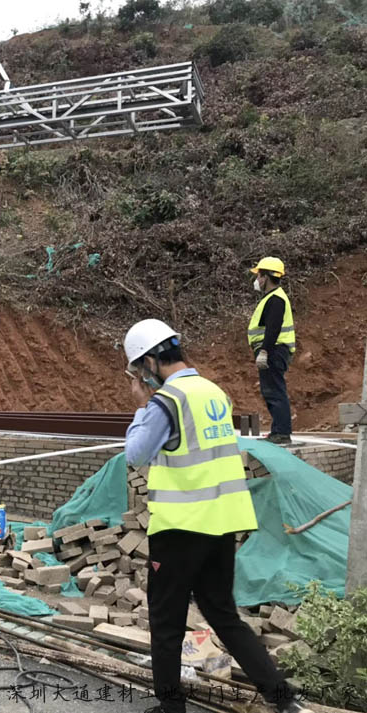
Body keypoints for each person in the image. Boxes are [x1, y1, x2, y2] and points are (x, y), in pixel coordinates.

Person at [122, 318, 310, 713]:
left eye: (139, 369)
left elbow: (136, 454)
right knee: (224, 615)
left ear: (151, 362)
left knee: (167, 622)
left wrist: (141, 408)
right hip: (222, 525)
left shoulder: (165, 402)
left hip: (179, 529)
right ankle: (283, 699)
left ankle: (171, 708)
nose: (140, 378)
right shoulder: (213, 392)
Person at [248, 257, 296, 445]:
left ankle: (282, 433)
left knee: (274, 390)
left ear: (266, 277)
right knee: (272, 390)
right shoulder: (272, 298)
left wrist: (264, 351)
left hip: (274, 351)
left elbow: (273, 328)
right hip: (273, 351)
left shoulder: (276, 299)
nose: (257, 280)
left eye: (259, 275)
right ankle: (278, 431)